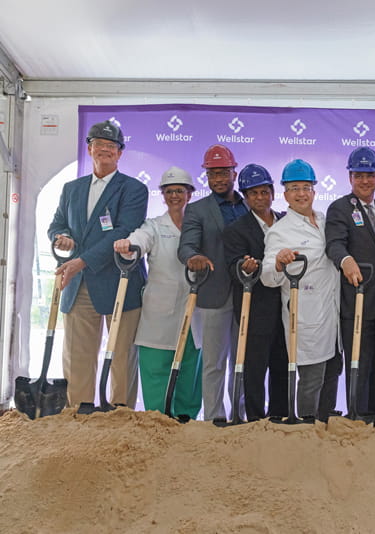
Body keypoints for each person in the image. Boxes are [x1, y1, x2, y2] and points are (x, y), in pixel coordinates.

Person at [47, 120, 147, 408]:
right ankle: (79, 411)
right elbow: (57, 224)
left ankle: (119, 413)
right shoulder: (71, 189)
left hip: (120, 283)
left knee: (121, 356)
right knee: (78, 354)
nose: (105, 150)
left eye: (112, 146)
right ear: (89, 148)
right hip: (78, 286)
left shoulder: (134, 189)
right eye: (99, 145)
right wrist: (61, 237)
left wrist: (82, 261)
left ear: (120, 153)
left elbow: (122, 231)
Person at [113, 167, 201, 418]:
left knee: (189, 370)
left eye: (180, 191)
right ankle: (158, 420)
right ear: (162, 195)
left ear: (190, 194)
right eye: (169, 191)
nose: (175, 196)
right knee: (156, 370)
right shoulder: (153, 226)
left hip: (194, 309)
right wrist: (128, 246)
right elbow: (140, 239)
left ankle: (187, 420)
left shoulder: (198, 225)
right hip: (159, 312)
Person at [261, 159, 341, 420]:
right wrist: (279, 263)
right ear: (285, 194)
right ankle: (306, 429)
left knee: (332, 372)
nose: (301, 193)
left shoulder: (325, 220)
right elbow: (267, 278)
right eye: (294, 188)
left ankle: (325, 425)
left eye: (306, 187)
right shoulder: (280, 232)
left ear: (314, 192)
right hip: (305, 315)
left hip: (332, 312)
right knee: (311, 379)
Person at [325, 147, 375, 425]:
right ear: (350, 176)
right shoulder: (340, 208)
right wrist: (345, 260)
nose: (364, 181)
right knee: (359, 364)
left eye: (370, 175)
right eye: (358, 175)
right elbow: (334, 243)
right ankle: (358, 420)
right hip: (355, 301)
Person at [178, 144, 248, 422]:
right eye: (212, 174)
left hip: (248, 294)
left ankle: (239, 417)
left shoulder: (249, 204)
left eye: (223, 173)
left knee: (242, 363)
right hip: (214, 295)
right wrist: (193, 256)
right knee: (213, 363)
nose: (218, 179)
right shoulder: (196, 210)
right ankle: (214, 419)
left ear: (234, 172)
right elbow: (185, 246)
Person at [222, 163, 289, 421]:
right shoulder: (236, 230)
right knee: (254, 368)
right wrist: (245, 268)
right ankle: (254, 419)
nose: (260, 198)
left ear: (273, 192)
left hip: (285, 308)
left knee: (282, 366)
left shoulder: (286, 221)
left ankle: (280, 416)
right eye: (253, 194)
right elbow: (233, 266)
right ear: (246, 198)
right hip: (255, 310)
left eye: (264, 192)